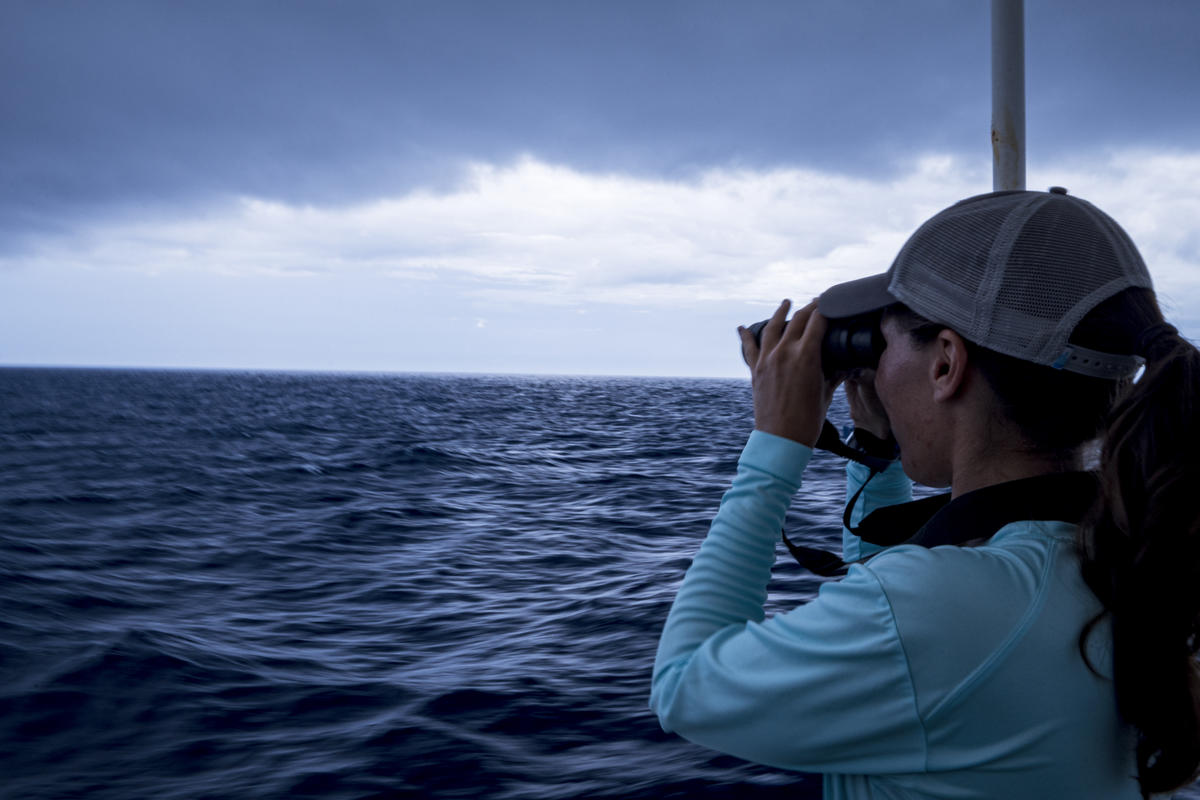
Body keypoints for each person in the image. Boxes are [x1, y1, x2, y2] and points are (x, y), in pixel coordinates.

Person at [649, 188, 1200, 799]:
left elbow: (684, 686)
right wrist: (876, 449)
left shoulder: (933, 607)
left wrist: (776, 445)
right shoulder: (1139, 560)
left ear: (945, 364)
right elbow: (902, 607)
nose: (877, 373)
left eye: (883, 344)